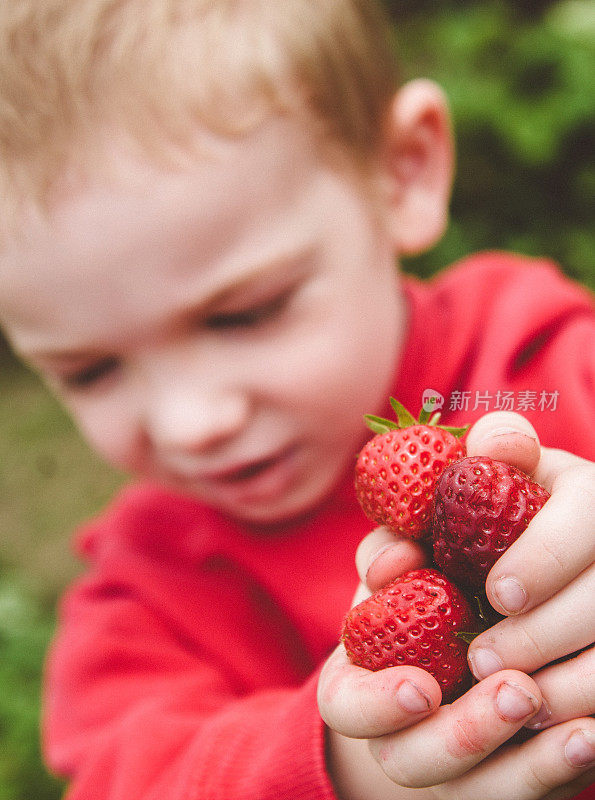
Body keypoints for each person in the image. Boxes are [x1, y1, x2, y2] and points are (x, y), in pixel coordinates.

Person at [0, 1, 593, 798]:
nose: (192, 423)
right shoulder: (148, 598)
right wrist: (349, 770)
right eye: (89, 371)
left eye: (245, 313)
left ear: (401, 172)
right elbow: (126, 776)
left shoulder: (555, 361)